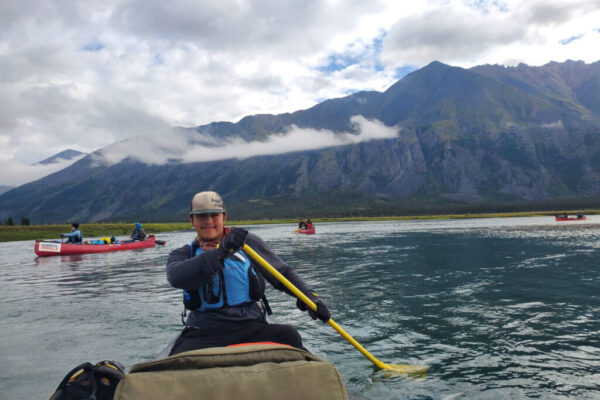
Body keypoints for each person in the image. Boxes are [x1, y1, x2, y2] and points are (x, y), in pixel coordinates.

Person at [166, 191, 330, 356]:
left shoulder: (247, 243)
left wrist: (309, 296)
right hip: (203, 331)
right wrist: (221, 251)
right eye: (201, 216)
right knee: (174, 361)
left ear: (224, 217)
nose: (208, 221)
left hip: (250, 326)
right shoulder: (183, 254)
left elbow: (281, 272)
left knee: (289, 335)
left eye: (214, 215)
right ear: (191, 220)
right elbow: (176, 277)